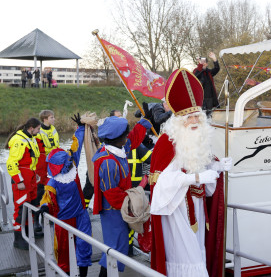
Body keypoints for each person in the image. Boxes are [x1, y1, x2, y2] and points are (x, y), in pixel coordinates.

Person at [149, 68, 232, 277]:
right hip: (176, 210)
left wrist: (217, 166)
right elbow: (161, 184)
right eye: (190, 118)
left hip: (197, 206)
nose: (194, 121)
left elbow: (202, 165)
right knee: (187, 259)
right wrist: (196, 178)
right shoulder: (167, 142)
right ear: (178, 121)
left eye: (197, 116)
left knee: (198, 255)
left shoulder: (197, 138)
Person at [92, 115, 152, 277]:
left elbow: (133, 140)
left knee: (119, 245)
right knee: (115, 247)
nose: (128, 137)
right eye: (125, 134)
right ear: (118, 138)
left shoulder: (117, 148)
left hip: (118, 207)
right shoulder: (108, 161)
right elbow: (112, 193)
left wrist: (142, 124)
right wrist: (134, 199)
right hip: (113, 210)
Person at [38, 114, 91, 277]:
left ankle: (82, 275)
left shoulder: (71, 162)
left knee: (84, 247)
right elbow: (46, 199)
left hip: (81, 214)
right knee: (63, 251)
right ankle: (66, 273)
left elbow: (77, 143)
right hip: (63, 220)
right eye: (66, 164)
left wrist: (81, 127)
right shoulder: (53, 182)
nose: (69, 165)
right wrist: (44, 207)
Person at [5, 117, 41, 250]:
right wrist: (18, 180)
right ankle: (18, 239)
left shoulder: (30, 138)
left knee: (30, 205)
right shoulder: (19, 141)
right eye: (37, 129)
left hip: (30, 177)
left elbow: (31, 159)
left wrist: (34, 172)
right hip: (22, 178)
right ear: (31, 128)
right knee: (20, 208)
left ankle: (27, 234)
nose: (39, 131)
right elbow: (11, 163)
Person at [34, 110, 60, 234]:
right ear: (44, 119)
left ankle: (50, 215)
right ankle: (36, 218)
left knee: (53, 189)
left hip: (54, 162)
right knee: (40, 190)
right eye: (51, 117)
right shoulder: (39, 133)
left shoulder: (53, 129)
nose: (53, 119)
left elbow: (56, 144)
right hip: (43, 163)